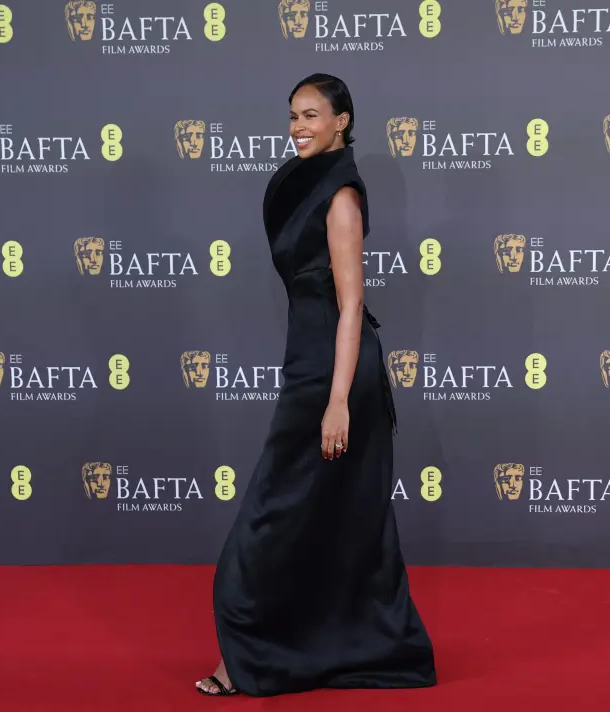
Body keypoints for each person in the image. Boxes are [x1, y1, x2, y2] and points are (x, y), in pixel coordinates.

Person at [195, 73, 437, 697]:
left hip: (336, 377)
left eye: (311, 115)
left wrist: (335, 403)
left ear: (342, 121)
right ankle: (315, 651)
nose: (298, 126)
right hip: (309, 364)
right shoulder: (301, 184)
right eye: (292, 116)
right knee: (325, 521)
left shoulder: (341, 199)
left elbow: (351, 306)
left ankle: (251, 661)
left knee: (282, 522)